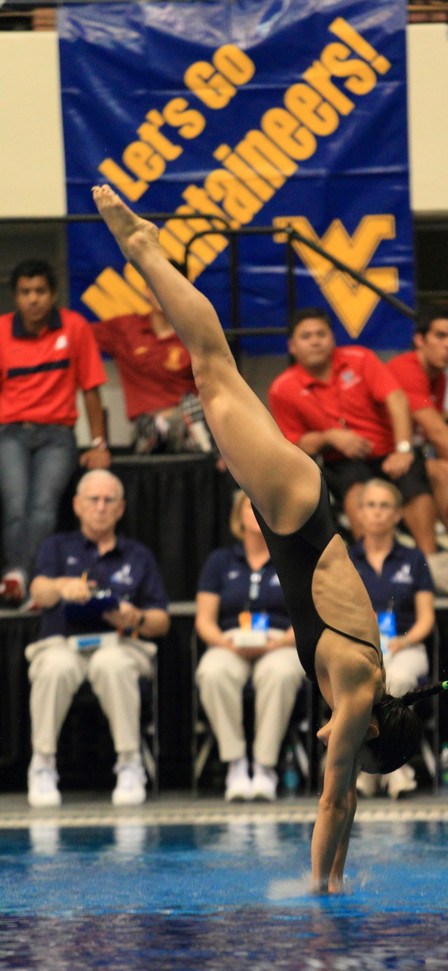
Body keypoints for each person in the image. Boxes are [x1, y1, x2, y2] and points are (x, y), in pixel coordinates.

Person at [92, 184, 444, 895]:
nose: (341, 746)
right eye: (360, 749)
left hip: (297, 505)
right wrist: (320, 886)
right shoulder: (356, 692)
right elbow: (335, 799)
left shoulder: (367, 682)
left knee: (213, 367)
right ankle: (145, 249)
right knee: (209, 363)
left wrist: (339, 873)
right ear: (373, 733)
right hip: (291, 510)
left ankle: (147, 253)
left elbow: (346, 803)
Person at [25, 468, 170, 808]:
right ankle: (42, 763)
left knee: (112, 664)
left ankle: (130, 762)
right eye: (94, 499)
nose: (101, 507)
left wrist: (135, 618)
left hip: (120, 644)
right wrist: (63, 586)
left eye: (109, 500)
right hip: (64, 644)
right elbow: (38, 590)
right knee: (54, 667)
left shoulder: (138, 555)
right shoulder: (56, 546)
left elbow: (161, 621)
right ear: (77, 505)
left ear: (121, 509)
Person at [267, 308, 439, 555]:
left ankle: (428, 562)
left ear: (332, 338)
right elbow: (293, 444)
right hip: (341, 463)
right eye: (306, 336)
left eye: (321, 334)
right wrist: (330, 437)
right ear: (292, 346)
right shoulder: (282, 389)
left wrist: (403, 449)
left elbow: (397, 399)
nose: (315, 341)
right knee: (353, 486)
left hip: (390, 452)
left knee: (413, 480)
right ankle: (368, 561)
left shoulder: (361, 358)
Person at [0, 259, 111, 606]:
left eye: (40, 291)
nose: (33, 299)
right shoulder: (1, 330)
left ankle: (22, 579)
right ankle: (27, 580)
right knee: (16, 506)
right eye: (25, 292)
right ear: (16, 297)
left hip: (58, 435)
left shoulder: (75, 327)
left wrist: (99, 444)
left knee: (43, 508)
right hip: (9, 433)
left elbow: (91, 389)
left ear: (53, 295)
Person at [194, 490, 307, 802]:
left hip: (281, 641)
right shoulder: (219, 561)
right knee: (212, 671)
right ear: (238, 516)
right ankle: (235, 764)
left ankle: (265, 765)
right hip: (231, 642)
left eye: (264, 504)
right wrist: (225, 643)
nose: (257, 511)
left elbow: (308, 616)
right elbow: (204, 620)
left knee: (280, 674)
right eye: (250, 505)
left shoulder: (292, 559)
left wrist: (279, 642)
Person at [348, 479, 435, 799]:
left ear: (398, 514)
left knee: (397, 679)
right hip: (360, 648)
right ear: (359, 513)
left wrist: (405, 641)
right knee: (359, 683)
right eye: (370, 505)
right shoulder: (345, 559)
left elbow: (426, 618)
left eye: (385, 506)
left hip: (405, 645)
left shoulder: (414, 558)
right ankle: (371, 765)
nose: (377, 512)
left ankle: (391, 766)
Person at [92, 273, 216, 456]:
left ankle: (203, 445)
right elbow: (78, 334)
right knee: (156, 427)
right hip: (146, 424)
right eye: (157, 286)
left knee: (194, 407)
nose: (164, 293)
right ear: (146, 290)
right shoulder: (125, 328)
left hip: (188, 419)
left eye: (172, 288)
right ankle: (170, 434)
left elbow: (215, 388)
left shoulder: (196, 334)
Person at [386, 306, 448, 544]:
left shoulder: (439, 378)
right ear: (419, 339)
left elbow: (434, 437)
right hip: (383, 455)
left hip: (412, 455)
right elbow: (437, 432)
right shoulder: (405, 367)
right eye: (441, 336)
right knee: (431, 476)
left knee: (444, 470)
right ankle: (428, 555)